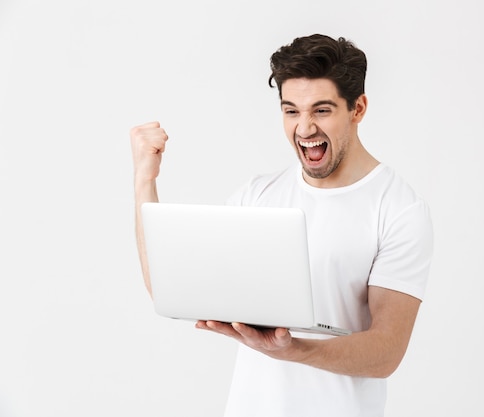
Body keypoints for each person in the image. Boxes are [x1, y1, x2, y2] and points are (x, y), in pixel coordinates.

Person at [130, 34, 433, 417]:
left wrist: (292, 349)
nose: (304, 129)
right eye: (291, 111)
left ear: (358, 108)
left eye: (321, 111)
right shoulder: (258, 196)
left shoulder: (399, 209)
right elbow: (168, 288)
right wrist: (145, 179)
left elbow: (387, 351)